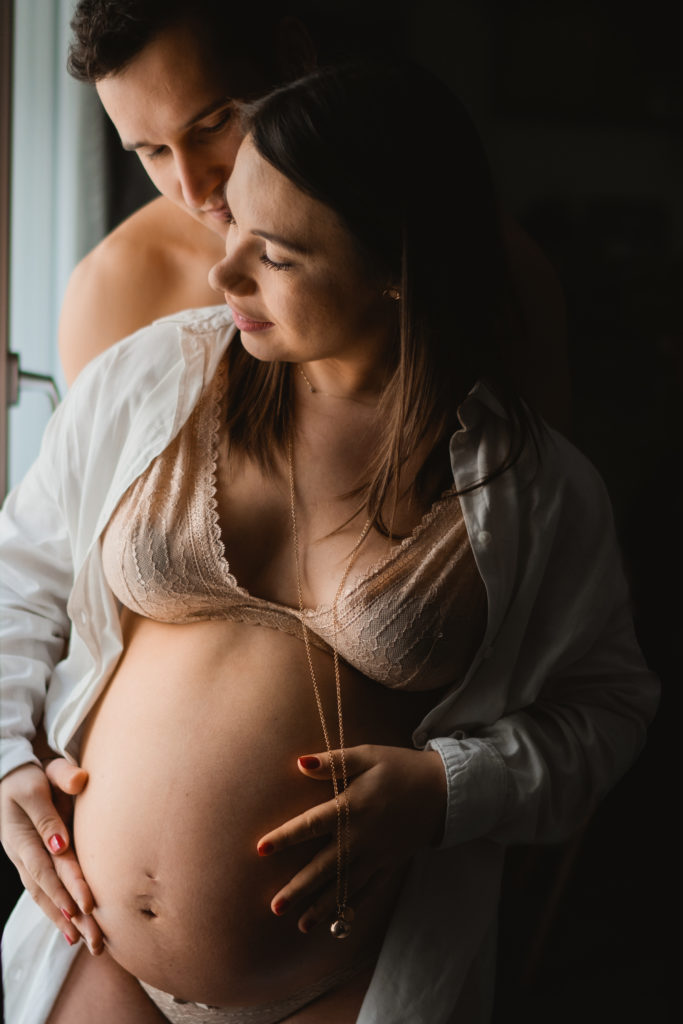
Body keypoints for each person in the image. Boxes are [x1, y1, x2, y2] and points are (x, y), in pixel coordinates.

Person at [1, 58, 657, 1024]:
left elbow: (606, 712)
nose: (223, 270)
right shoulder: (150, 384)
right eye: (233, 224)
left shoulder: (531, 490)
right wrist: (8, 760)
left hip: (342, 985)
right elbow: (19, 581)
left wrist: (447, 790)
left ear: (396, 269)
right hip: (92, 951)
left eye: (277, 254)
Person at [58, 0, 572, 432]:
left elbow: (531, 519)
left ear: (294, 59)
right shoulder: (112, 293)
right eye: (154, 153)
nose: (193, 188)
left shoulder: (485, 265)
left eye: (215, 123)